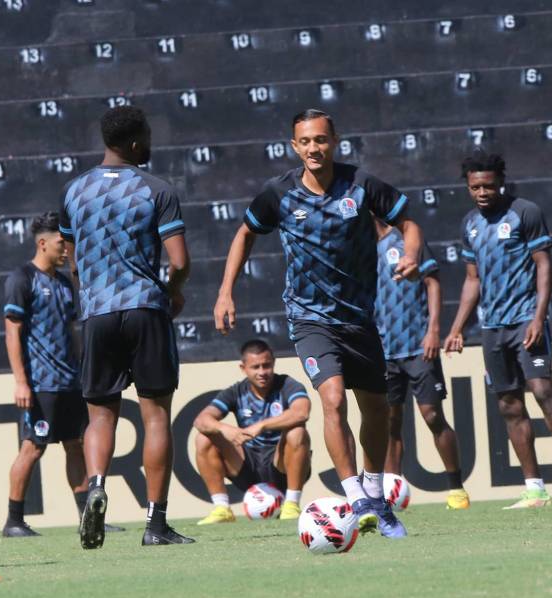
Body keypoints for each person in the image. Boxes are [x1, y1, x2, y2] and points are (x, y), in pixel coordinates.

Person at [214, 109, 426, 538]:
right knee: (332, 399)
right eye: (305, 141)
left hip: (359, 319)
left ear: (335, 141)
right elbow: (244, 233)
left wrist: (411, 254)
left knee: (377, 411)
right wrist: (225, 291)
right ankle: (359, 499)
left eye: (321, 140)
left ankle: (374, 487)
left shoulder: (362, 185)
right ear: (295, 146)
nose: (314, 148)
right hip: (310, 319)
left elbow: (409, 222)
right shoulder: (279, 193)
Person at [61, 106, 193, 547]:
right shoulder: (156, 189)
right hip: (144, 308)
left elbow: (73, 259)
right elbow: (179, 262)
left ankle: (96, 486)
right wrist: (173, 292)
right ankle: (156, 525)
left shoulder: (74, 191)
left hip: (97, 314)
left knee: (100, 416)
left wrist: (90, 291)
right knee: (156, 416)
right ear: (136, 142)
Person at [444, 153, 552, 509]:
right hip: (492, 327)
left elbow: (544, 266)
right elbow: (471, 280)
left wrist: (539, 318)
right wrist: (457, 328)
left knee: (542, 391)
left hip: (525, 318)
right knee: (509, 405)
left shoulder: (525, 212)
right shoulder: (469, 224)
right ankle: (535, 488)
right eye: (475, 187)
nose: (482, 192)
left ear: (501, 183)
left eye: (489, 185)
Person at [2, 213, 123, 537]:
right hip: (41, 383)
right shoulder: (22, 279)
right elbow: (12, 332)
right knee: (33, 447)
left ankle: (88, 517)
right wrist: (20, 381)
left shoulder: (63, 283)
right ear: (42, 243)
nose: (66, 249)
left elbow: (72, 332)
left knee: (76, 445)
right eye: (60, 243)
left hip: (70, 381)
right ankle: (14, 521)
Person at [373, 219, 470, 510]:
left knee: (431, 416)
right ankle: (392, 491)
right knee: (389, 422)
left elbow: (432, 282)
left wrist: (434, 330)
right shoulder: (359, 249)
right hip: (382, 350)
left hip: (417, 346)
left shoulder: (406, 239)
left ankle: (456, 489)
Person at [193, 340, 312, 524]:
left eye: (266, 365)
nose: (262, 372)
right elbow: (201, 420)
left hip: (281, 465)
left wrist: (262, 425)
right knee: (204, 438)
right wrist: (226, 429)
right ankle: (222, 508)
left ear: (273, 363)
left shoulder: (288, 385)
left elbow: (302, 412)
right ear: (243, 368)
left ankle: (291, 504)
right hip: (246, 466)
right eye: (255, 367)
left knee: (297, 432)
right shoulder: (236, 392)